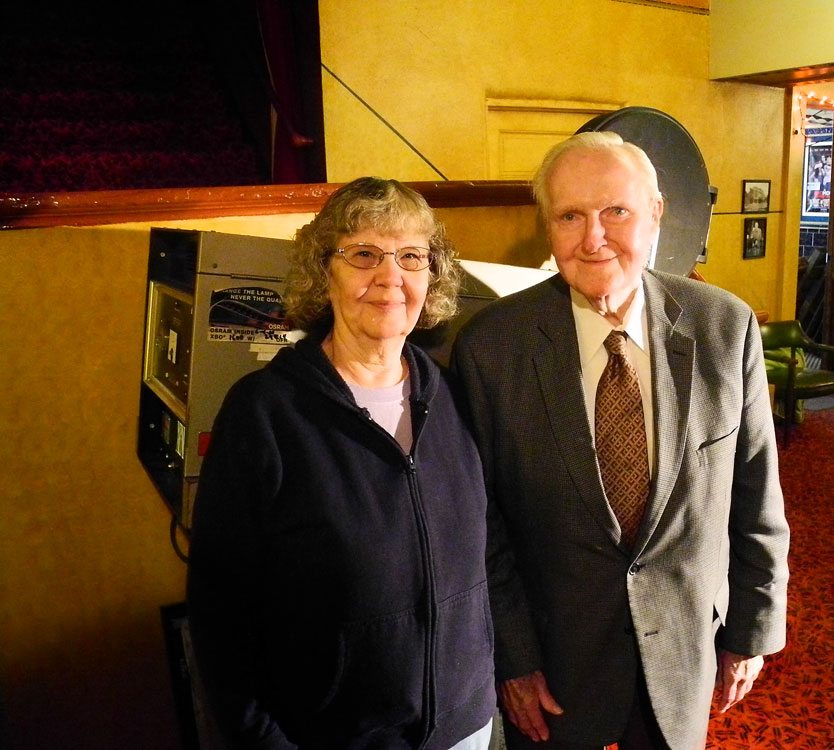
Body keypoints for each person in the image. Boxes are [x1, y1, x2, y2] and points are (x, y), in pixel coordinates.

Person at [451, 132, 789, 750]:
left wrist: (752, 632)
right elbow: (480, 527)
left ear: (656, 214)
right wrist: (513, 659)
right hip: (555, 666)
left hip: (683, 651)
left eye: (616, 211)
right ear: (548, 227)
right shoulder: (491, 347)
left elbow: (756, 496)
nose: (593, 238)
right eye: (570, 216)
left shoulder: (724, 327)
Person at [186, 177, 496, 749]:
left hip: (464, 728)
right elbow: (219, 611)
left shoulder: (456, 397)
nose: (390, 277)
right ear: (323, 271)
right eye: (364, 255)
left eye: (411, 256)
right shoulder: (264, 413)